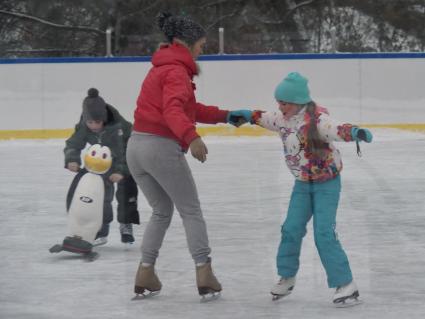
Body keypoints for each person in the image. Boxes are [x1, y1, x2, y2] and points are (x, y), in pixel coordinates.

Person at [126, 12, 251, 299]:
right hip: (160, 148)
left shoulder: (161, 67)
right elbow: (172, 111)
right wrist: (191, 137)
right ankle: (204, 271)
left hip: (136, 148)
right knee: (190, 211)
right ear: (187, 42)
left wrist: (226, 115)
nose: (202, 50)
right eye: (201, 45)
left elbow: (188, 109)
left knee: (161, 211)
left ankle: (145, 271)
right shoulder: (176, 71)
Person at [249, 72, 372, 306]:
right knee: (290, 228)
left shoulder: (317, 120)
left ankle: (345, 284)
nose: (280, 106)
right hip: (302, 184)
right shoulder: (281, 118)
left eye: (284, 102)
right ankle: (287, 277)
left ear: (298, 102)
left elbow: (336, 128)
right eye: (279, 102)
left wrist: (355, 132)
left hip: (327, 183)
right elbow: (264, 118)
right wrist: (247, 116)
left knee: (323, 233)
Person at [64, 88, 140, 245]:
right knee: (94, 192)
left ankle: (126, 224)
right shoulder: (85, 124)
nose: (93, 126)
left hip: (126, 158)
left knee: (126, 189)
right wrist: (72, 159)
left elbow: (127, 152)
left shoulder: (118, 127)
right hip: (99, 162)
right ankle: (100, 230)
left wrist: (120, 171)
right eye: (90, 122)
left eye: (97, 122)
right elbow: (73, 143)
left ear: (104, 119)